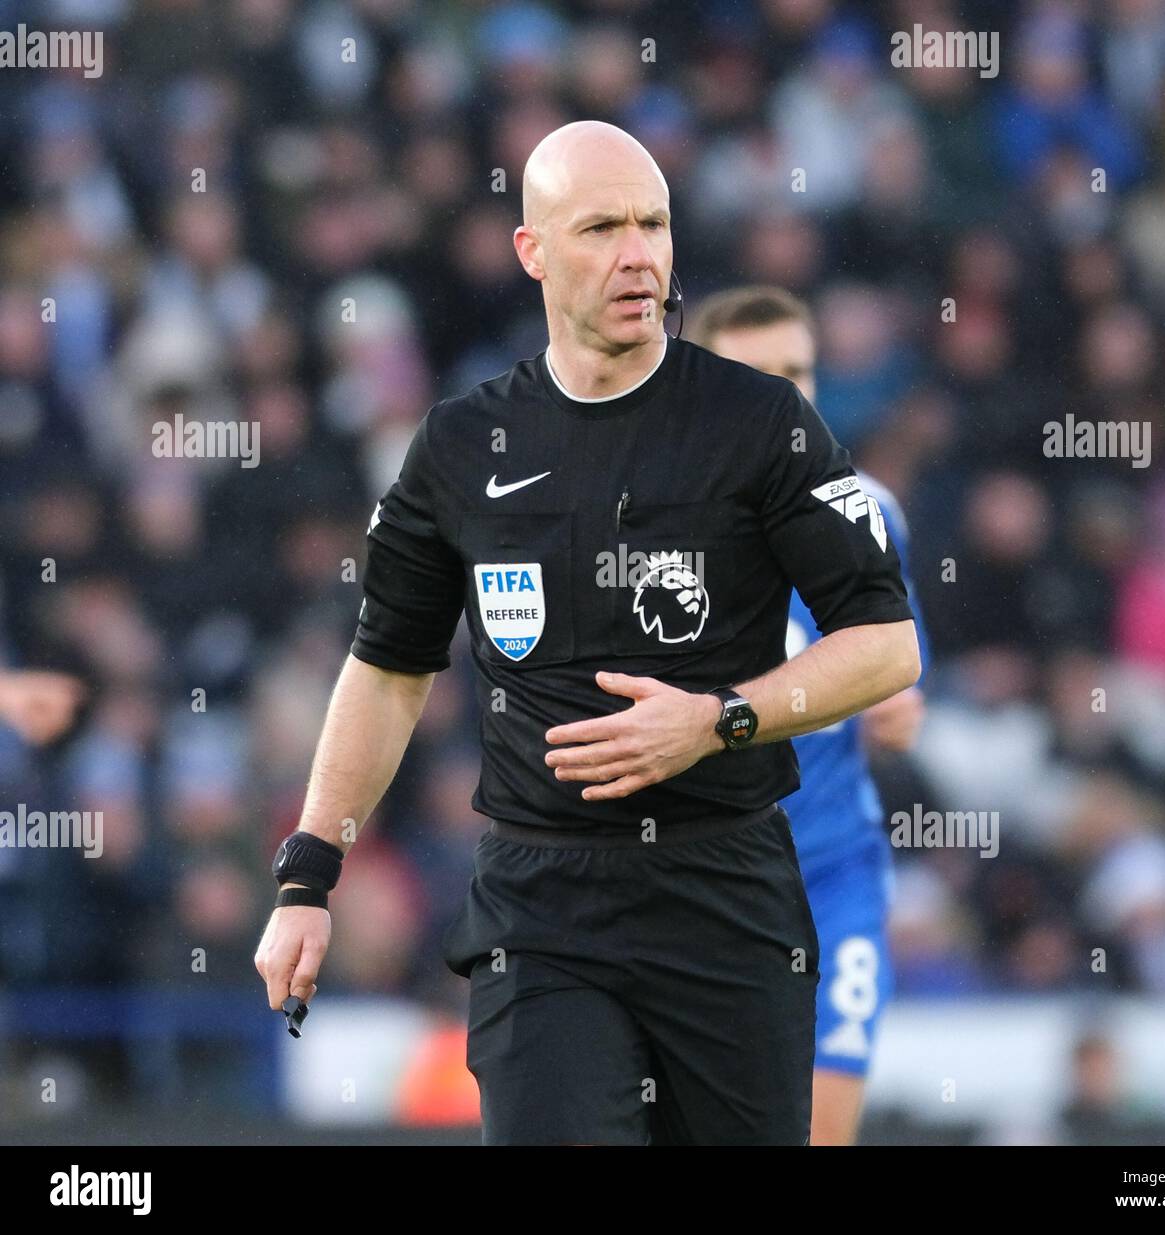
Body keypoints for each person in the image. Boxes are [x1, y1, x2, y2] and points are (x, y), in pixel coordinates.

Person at [254, 120, 921, 1145]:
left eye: (653, 224)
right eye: (601, 227)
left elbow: (885, 644)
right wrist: (308, 875)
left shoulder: (761, 423)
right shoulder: (463, 444)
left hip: (727, 891)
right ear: (531, 252)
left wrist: (720, 719)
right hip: (542, 901)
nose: (637, 255)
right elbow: (388, 671)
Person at [690, 285, 929, 1145]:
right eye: (761, 376)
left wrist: (898, 706)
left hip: (832, 876)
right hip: (699, 881)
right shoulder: (658, 528)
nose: (787, 396)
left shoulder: (869, 512)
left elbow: (902, 681)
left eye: (800, 371)